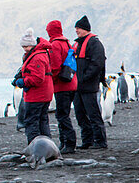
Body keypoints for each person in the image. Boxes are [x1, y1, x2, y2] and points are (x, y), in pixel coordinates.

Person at [72, 15, 107, 149]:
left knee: (93, 114)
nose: (76, 31)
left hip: (89, 85)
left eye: (79, 28)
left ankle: (100, 141)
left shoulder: (95, 43)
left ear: (86, 29)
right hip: (77, 86)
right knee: (80, 115)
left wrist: (85, 76)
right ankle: (88, 140)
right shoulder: (77, 44)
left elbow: (98, 63)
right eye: (76, 28)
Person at [14, 28, 54, 143]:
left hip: (37, 95)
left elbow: (37, 78)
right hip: (43, 94)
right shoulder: (38, 53)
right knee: (42, 121)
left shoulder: (37, 57)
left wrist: (23, 81)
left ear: (32, 45)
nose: (25, 49)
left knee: (32, 122)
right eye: (23, 47)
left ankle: (35, 148)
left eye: (27, 46)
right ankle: (47, 147)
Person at [45, 19, 78, 153]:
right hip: (72, 82)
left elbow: (55, 66)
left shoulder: (55, 44)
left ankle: (69, 143)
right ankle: (64, 143)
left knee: (62, 115)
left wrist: (49, 80)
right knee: (63, 114)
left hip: (62, 85)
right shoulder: (66, 42)